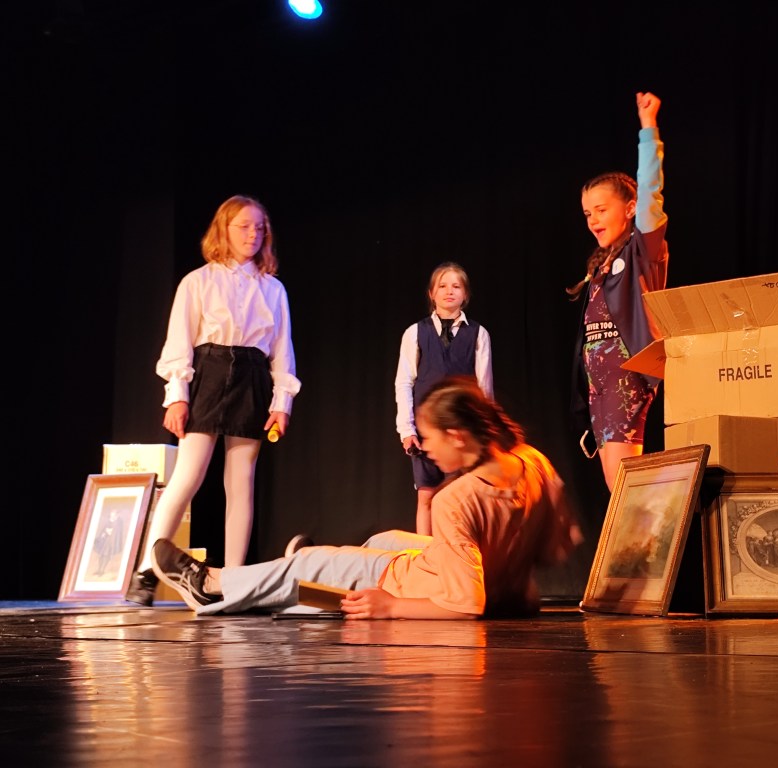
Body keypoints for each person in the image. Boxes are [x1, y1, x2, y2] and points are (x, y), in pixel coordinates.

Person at [150, 376, 581, 619]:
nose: (426, 448)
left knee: (308, 565)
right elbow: (557, 547)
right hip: (492, 581)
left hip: (417, 586)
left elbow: (467, 604)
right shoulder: (532, 462)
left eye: (429, 438)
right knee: (384, 539)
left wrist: (392, 607)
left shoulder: (455, 499)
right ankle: (311, 573)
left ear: (456, 435)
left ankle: (213, 587)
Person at [126, 194, 301, 606]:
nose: (253, 234)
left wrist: (281, 403)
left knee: (241, 481)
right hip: (209, 372)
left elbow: (282, 351)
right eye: (244, 226)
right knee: (188, 475)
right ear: (224, 229)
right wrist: (177, 397)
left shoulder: (273, 289)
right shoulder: (198, 281)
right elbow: (179, 344)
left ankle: (234, 579)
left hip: (252, 376)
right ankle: (148, 571)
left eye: (260, 228)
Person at [567, 92, 669, 492]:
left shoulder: (642, 251)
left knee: (625, 481)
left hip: (627, 375)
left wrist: (648, 128)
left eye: (602, 210)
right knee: (618, 482)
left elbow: (650, 188)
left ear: (630, 209)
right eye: (587, 213)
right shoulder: (601, 263)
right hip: (600, 381)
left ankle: (647, 533)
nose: (593, 220)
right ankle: (638, 532)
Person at [395, 262, 493, 535]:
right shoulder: (415, 333)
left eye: (456, 286)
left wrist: (483, 433)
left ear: (466, 294)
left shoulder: (478, 334)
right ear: (431, 293)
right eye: (442, 286)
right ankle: (427, 556)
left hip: (462, 430)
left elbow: (485, 389)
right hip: (426, 431)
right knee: (427, 497)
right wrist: (407, 430)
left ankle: (458, 554)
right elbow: (404, 382)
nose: (449, 291)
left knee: (459, 499)